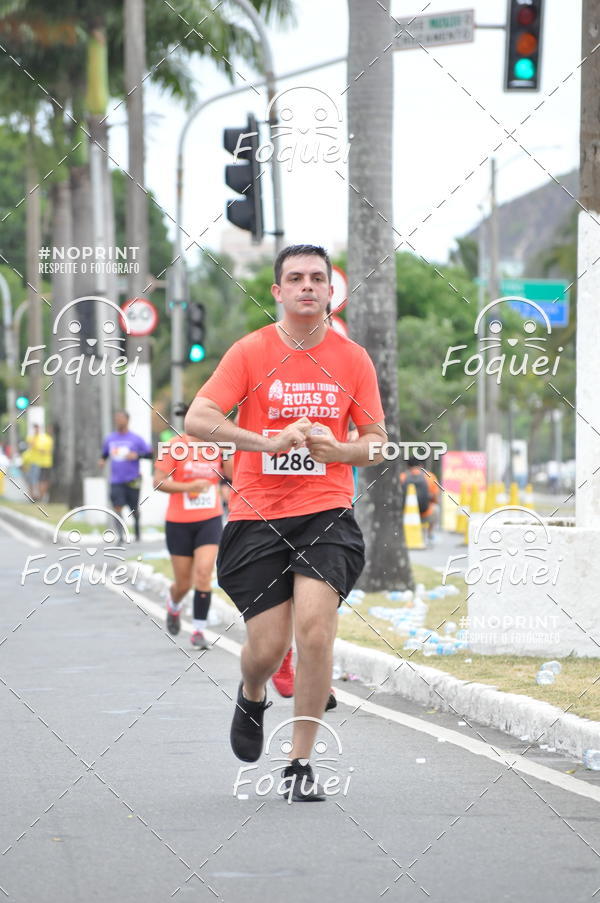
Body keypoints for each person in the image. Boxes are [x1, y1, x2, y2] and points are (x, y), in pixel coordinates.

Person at [185, 244, 385, 802]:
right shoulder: (251, 352)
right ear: (277, 291)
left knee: (317, 630)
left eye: (317, 278)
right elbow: (200, 419)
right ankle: (252, 692)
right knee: (268, 649)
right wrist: (265, 441)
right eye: (294, 278)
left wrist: (339, 451)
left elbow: (376, 444)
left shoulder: (353, 360)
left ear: (330, 290)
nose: (306, 287)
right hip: (258, 514)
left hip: (326, 510)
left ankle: (300, 762)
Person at [153, 423, 232, 649]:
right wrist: (187, 488)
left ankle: (198, 630)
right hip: (179, 523)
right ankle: (174, 604)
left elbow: (235, 474)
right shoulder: (175, 446)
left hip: (209, 520)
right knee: (183, 584)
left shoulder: (218, 446)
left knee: (204, 573)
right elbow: (158, 481)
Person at [99, 411, 152, 542]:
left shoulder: (136, 439)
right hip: (116, 479)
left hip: (133, 479)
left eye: (121, 419)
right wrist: (102, 460)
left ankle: (137, 532)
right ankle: (121, 536)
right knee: (117, 506)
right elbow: (105, 453)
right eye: (116, 419)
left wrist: (137, 455)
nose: (118, 421)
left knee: (133, 508)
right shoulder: (110, 439)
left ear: (127, 420)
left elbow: (150, 455)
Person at [400, 456, 440, 543]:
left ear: (408, 466)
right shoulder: (430, 477)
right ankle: (430, 533)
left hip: (406, 516)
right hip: (426, 514)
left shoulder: (402, 477)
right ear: (421, 465)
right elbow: (436, 499)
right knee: (436, 508)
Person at [26, 424, 54, 501]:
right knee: (35, 480)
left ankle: (40, 497)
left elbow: (45, 450)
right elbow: (31, 445)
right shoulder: (33, 438)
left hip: (45, 463)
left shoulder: (46, 439)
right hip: (36, 463)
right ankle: (34, 497)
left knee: (43, 481)